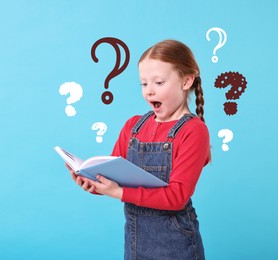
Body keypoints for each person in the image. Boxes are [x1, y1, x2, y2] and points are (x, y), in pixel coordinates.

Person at [67, 39, 210, 259]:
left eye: (159, 83)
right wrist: (92, 183)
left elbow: (177, 197)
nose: (149, 91)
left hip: (176, 243)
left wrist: (119, 193)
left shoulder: (193, 130)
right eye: (144, 84)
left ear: (186, 81)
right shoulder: (133, 126)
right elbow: (112, 176)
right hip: (136, 240)